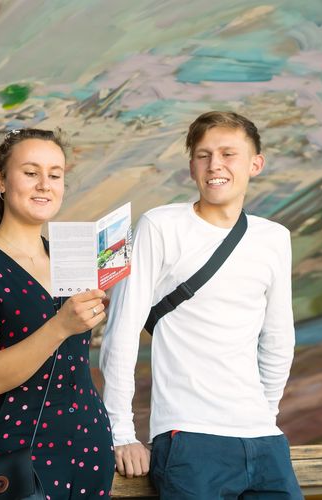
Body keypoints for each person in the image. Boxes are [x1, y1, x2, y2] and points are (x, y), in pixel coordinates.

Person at [100, 111, 302, 499]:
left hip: (264, 439)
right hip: (189, 437)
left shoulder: (274, 237)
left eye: (229, 153)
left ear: (255, 164)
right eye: (204, 155)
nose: (216, 166)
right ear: (192, 166)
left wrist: (265, 413)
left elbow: (278, 337)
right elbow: (121, 332)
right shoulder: (159, 225)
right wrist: (121, 431)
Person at [0, 129, 115, 499]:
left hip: (89, 443)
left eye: (55, 175)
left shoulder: (73, 260)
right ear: (1, 180)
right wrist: (62, 325)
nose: (44, 185)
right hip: (15, 448)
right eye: (30, 172)